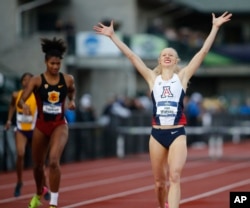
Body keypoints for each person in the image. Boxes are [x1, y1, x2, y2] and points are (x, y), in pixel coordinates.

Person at [93, 11, 232, 208]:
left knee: (174, 176)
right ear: (159, 60)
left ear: (176, 61)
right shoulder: (152, 78)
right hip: (157, 135)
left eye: (171, 55)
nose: (167, 56)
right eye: (163, 54)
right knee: (159, 183)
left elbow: (202, 53)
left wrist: (215, 27)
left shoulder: (182, 77)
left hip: (177, 134)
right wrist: (113, 36)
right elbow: (132, 56)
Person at [17, 37, 76, 208]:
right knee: (37, 166)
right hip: (41, 126)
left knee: (53, 160)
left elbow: (72, 91)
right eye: (52, 63)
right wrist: (24, 107)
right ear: (45, 62)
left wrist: (72, 101)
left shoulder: (68, 79)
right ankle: (38, 192)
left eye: (58, 63)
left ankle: (53, 203)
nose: (55, 67)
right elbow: (22, 100)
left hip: (59, 125)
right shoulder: (36, 80)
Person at [5, 72, 50, 199]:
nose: (26, 82)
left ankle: (45, 187)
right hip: (21, 130)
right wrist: (9, 120)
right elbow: (13, 105)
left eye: (29, 80)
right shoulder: (16, 95)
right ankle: (19, 182)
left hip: (35, 130)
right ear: (21, 82)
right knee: (20, 154)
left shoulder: (38, 96)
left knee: (39, 162)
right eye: (24, 80)